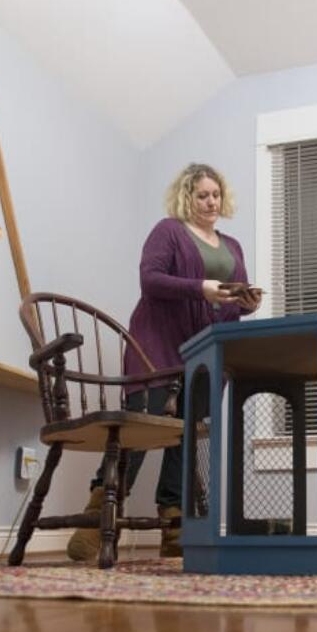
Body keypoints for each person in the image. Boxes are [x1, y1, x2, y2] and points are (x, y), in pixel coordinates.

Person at [68, 163, 260, 561]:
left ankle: (174, 527)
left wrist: (245, 304)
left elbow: (224, 305)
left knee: (184, 438)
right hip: (157, 346)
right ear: (186, 198)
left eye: (215, 194)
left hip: (205, 354)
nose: (210, 201)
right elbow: (150, 280)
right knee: (141, 429)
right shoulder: (168, 231)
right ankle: (94, 519)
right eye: (202, 194)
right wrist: (201, 288)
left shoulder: (233, 246)